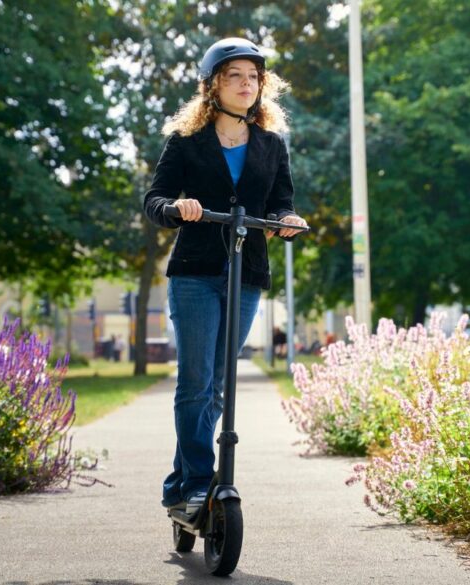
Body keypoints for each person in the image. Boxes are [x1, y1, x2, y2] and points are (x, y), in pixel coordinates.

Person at [143, 37, 308, 514]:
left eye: (253, 77)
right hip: (195, 272)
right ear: (214, 85)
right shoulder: (187, 142)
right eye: (234, 75)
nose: (245, 84)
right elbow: (154, 201)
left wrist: (289, 222)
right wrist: (178, 207)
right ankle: (197, 482)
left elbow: (280, 204)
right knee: (196, 382)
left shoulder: (271, 146)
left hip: (247, 273)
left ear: (263, 86)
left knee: (217, 383)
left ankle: (181, 483)